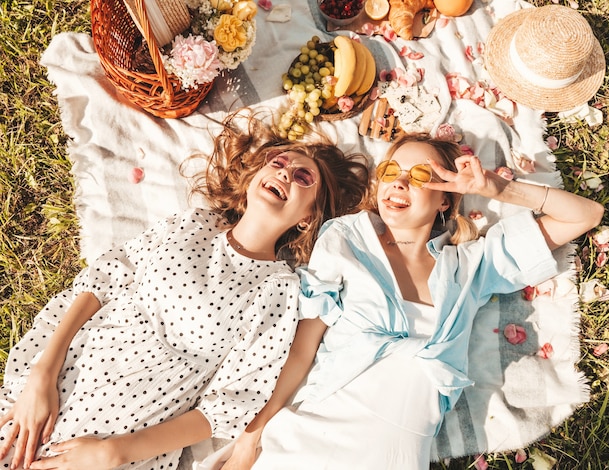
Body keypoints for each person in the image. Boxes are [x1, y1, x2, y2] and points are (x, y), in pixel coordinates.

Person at [0, 108, 370, 470]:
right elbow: (104, 279)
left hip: (127, 430)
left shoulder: (279, 290)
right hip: (61, 377)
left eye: (303, 176)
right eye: (277, 162)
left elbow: (227, 406)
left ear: (308, 217)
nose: (285, 172)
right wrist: (42, 373)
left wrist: (113, 454)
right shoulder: (195, 222)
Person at [222, 133, 605, 470]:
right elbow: (302, 351)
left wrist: (498, 190)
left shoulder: (471, 267)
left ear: (445, 199)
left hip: (396, 454)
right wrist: (250, 437)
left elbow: (586, 215)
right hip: (308, 435)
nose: (400, 183)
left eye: (421, 175)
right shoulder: (346, 239)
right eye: (390, 171)